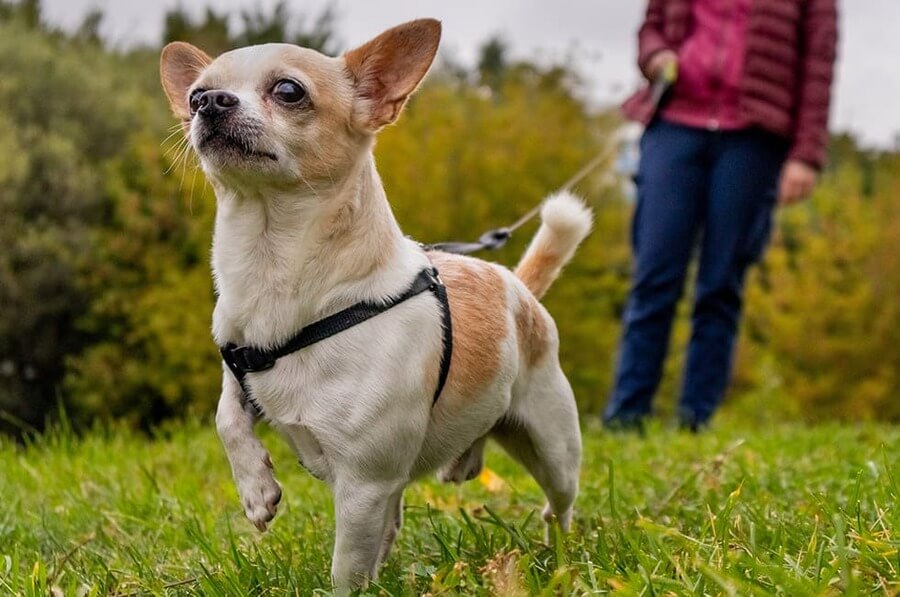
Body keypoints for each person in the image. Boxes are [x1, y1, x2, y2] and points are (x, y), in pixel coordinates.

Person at [605, 0, 838, 431]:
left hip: (753, 137)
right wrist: (656, 56)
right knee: (654, 277)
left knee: (720, 285)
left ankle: (695, 419)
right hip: (676, 124)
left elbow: (818, 64)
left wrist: (806, 155)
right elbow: (652, 27)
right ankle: (626, 415)